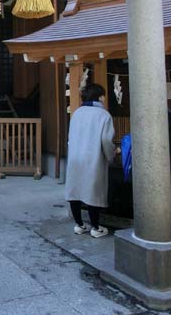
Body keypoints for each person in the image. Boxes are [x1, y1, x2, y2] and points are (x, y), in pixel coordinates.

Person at [65, 83, 117, 238]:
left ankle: (79, 225)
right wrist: (112, 155)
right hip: (93, 158)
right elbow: (106, 141)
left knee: (75, 191)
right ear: (100, 97)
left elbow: (70, 137)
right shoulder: (104, 115)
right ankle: (96, 227)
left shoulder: (77, 113)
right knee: (93, 191)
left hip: (75, 157)